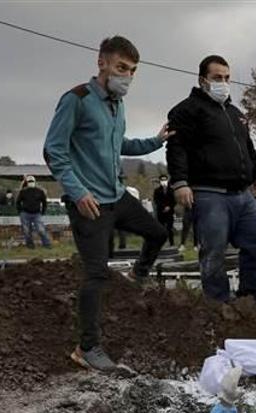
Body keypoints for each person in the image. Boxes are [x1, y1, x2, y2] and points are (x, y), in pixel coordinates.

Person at [43, 35, 172, 371]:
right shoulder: (77, 99)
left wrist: (155, 142)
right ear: (102, 62)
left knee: (158, 233)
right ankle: (86, 347)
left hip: (116, 196)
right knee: (97, 273)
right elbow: (53, 151)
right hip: (90, 205)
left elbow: (119, 145)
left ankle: (136, 276)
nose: (126, 76)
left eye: (131, 71)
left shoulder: (117, 104)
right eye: (121, 68)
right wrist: (77, 191)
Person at [167, 55, 256, 303]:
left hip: (242, 194)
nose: (223, 82)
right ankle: (218, 301)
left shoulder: (236, 114)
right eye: (217, 78)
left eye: (226, 78)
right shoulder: (186, 110)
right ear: (203, 80)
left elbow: (248, 148)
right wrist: (180, 182)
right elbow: (176, 147)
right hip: (208, 192)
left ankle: (249, 293)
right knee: (213, 249)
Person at [15, 175, 52, 249]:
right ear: (27, 183)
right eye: (29, 181)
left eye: (32, 181)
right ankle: (30, 245)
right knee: (27, 231)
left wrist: (42, 212)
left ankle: (47, 244)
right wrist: (20, 212)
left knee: (41, 230)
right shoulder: (23, 191)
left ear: (35, 182)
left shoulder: (40, 191)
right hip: (25, 213)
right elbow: (18, 202)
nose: (31, 183)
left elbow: (44, 202)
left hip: (36, 214)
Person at [153, 174, 176, 246]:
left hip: (170, 212)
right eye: (162, 180)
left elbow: (174, 200)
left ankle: (172, 243)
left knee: (170, 228)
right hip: (161, 212)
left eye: (165, 179)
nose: (164, 181)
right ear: (160, 181)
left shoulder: (172, 190)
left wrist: (169, 207)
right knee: (161, 228)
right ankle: (161, 243)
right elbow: (156, 201)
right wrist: (163, 207)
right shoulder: (157, 191)